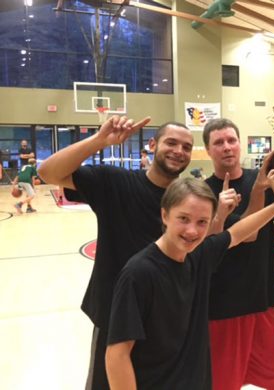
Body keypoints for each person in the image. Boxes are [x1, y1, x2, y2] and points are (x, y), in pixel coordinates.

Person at [38, 115, 194, 390]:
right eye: (171, 143)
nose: (179, 151)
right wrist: (99, 141)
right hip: (116, 317)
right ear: (153, 145)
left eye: (186, 147)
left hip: (166, 319)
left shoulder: (188, 202)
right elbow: (48, 172)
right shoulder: (114, 182)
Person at [105, 172, 274, 390]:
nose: (192, 231)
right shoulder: (139, 273)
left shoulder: (199, 256)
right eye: (183, 219)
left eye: (202, 222)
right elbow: (117, 355)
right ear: (165, 215)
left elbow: (237, 233)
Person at [203, 118, 274, 390]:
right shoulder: (201, 192)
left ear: (239, 144)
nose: (227, 147)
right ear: (207, 150)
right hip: (221, 308)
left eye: (231, 140)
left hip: (261, 301)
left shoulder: (262, 180)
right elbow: (241, 236)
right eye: (218, 142)